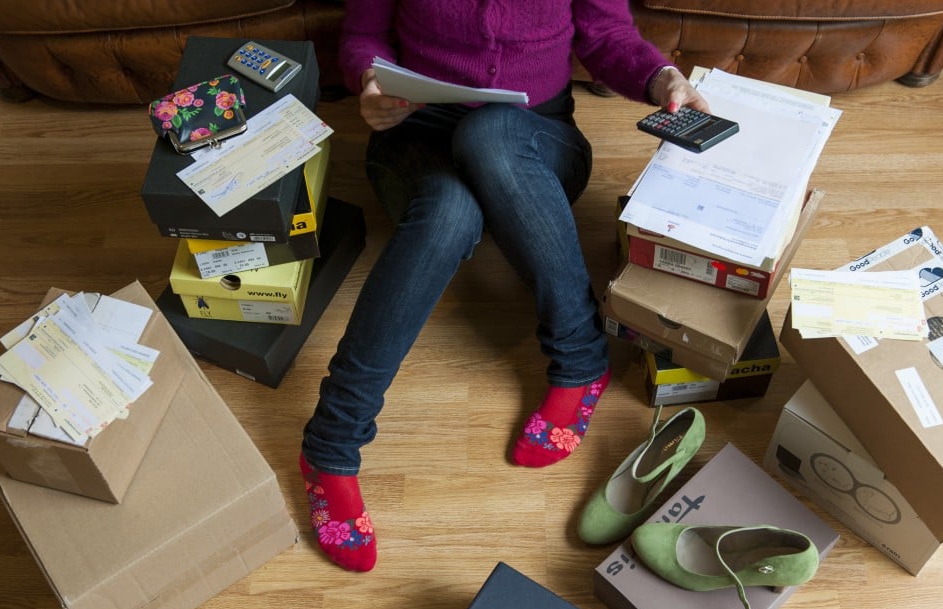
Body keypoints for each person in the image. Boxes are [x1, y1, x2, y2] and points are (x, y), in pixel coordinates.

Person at [299, 0, 710, 572]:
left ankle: (579, 357)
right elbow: (364, 34)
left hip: (531, 140)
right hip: (416, 137)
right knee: (447, 212)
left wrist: (661, 76)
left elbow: (605, 34)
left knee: (489, 132)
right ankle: (330, 444)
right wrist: (370, 80)